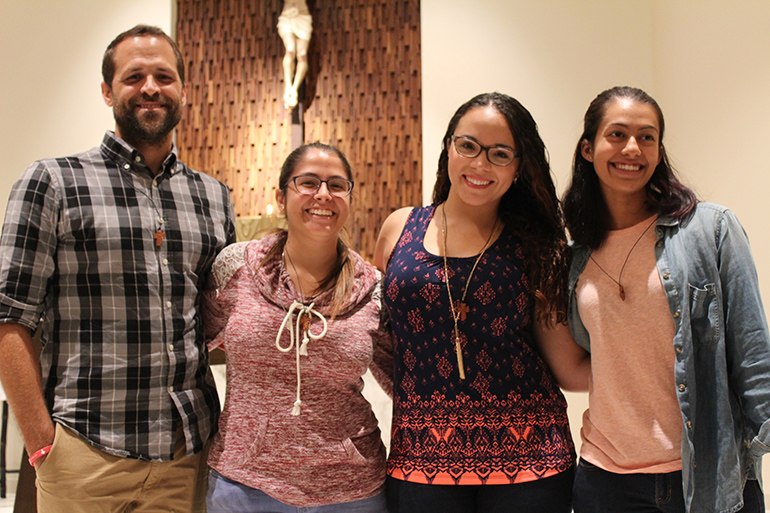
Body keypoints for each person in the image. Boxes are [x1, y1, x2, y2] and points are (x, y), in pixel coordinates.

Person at [0, 25, 236, 512]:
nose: (150, 87)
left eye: (164, 77)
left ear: (184, 92)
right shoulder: (53, 182)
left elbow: (222, 319)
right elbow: (9, 317)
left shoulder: (213, 197)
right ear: (108, 91)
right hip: (85, 450)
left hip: (184, 456)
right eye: (134, 77)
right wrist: (41, 442)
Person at [374, 92, 587, 513]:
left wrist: (658, 368)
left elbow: (566, 367)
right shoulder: (399, 228)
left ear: (518, 168)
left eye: (499, 154)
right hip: (419, 462)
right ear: (449, 147)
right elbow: (379, 339)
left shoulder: (538, 247)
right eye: (468, 145)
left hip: (530, 465)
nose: (479, 164)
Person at [562, 86, 770, 513]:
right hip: (605, 480)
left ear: (659, 150)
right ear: (588, 148)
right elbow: (591, 358)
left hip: (705, 473)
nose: (632, 148)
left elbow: (752, 354)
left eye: (647, 136)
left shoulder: (711, 229)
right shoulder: (576, 256)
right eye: (617, 134)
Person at [203, 142, 393, 513]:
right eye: (308, 182)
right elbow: (188, 350)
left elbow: (405, 383)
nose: (323, 194)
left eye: (337, 185)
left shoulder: (373, 289)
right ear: (281, 194)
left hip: (352, 491)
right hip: (244, 485)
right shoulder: (236, 268)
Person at [277, 0, 313, 109]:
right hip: (287, 16)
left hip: (302, 16)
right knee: (290, 50)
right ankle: (288, 86)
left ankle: (294, 88)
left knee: (302, 54)